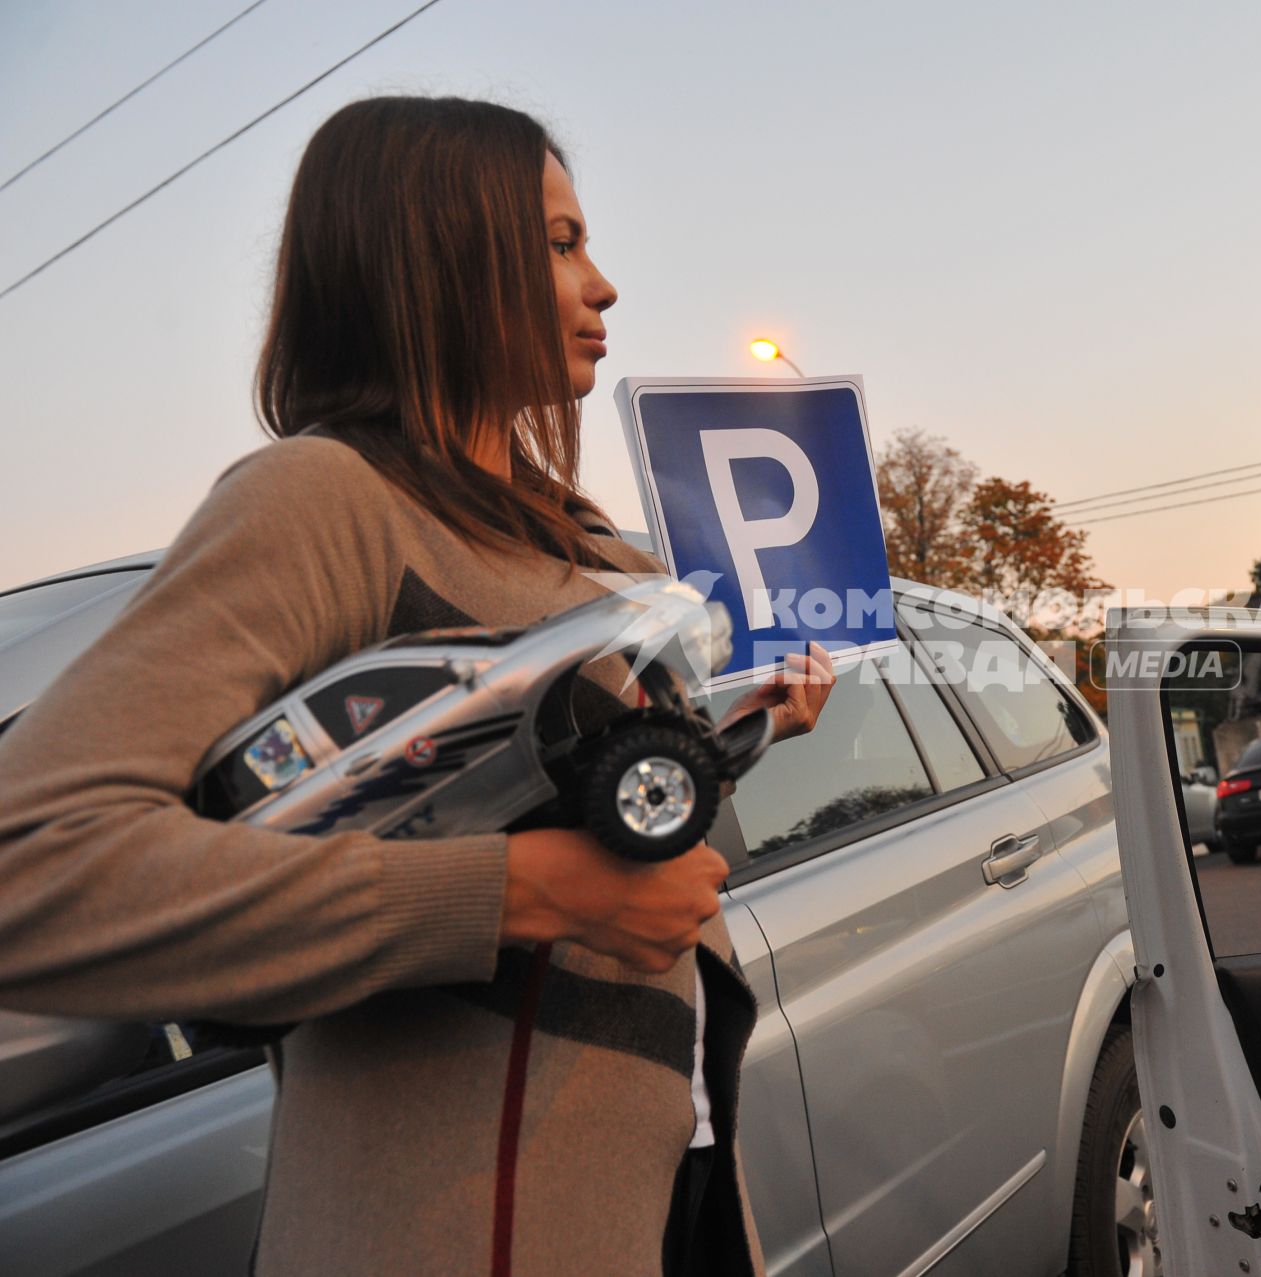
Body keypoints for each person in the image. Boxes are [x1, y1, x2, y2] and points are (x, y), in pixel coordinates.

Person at [0, 97, 832, 1276]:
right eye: (558, 243)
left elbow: (596, 806)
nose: (603, 286)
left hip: (679, 1176)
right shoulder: (326, 500)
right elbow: (31, 866)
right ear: (434, 259)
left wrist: (751, 730)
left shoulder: (598, 548)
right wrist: (514, 891)